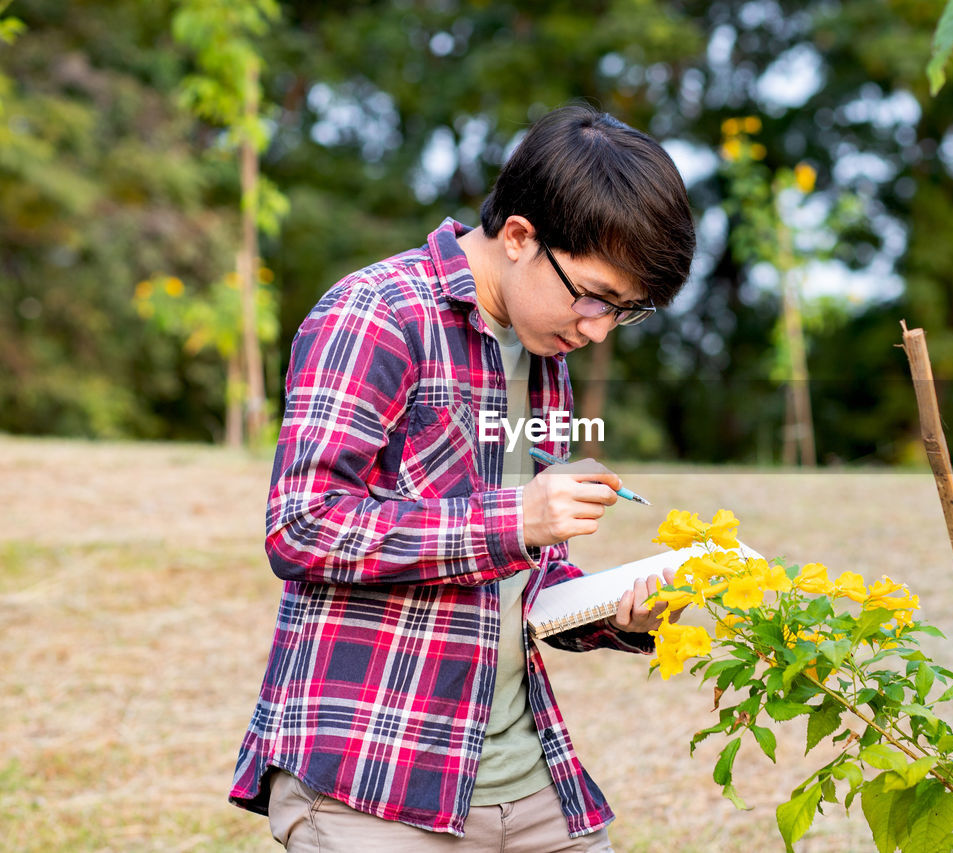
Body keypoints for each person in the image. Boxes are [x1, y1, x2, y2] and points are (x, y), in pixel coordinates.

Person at [229, 104, 696, 852]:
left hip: (524, 779)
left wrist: (617, 612)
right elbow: (301, 526)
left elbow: (519, 576)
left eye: (625, 310)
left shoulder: (544, 357)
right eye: (595, 295)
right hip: (372, 784)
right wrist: (516, 518)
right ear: (519, 236)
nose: (599, 327)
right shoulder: (374, 314)